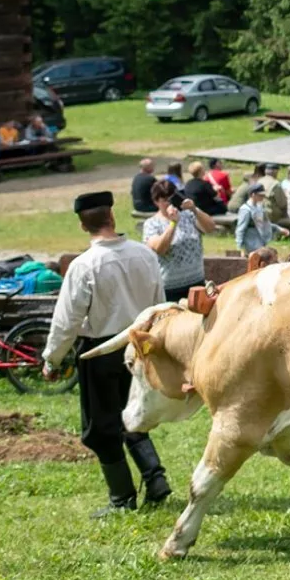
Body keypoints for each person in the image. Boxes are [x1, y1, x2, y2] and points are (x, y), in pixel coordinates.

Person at [41, 191, 171, 515]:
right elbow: (160, 305)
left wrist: (51, 359)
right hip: (140, 346)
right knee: (133, 416)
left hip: (100, 351)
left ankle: (122, 498)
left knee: (100, 428)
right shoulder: (145, 255)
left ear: (82, 226)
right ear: (112, 216)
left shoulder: (85, 265)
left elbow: (67, 319)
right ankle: (155, 479)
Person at [142, 178, 214, 301]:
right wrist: (173, 224)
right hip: (170, 289)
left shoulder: (189, 215)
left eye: (172, 198)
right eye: (165, 200)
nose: (170, 204)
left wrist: (194, 209)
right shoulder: (152, 224)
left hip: (197, 283)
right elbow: (160, 249)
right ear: (156, 202)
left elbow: (210, 228)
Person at [234, 181, 284, 255]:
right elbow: (240, 229)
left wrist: (278, 228)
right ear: (253, 194)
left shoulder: (259, 207)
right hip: (249, 242)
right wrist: (240, 247)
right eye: (260, 195)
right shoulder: (246, 209)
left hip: (259, 240)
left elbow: (264, 223)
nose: (263, 197)